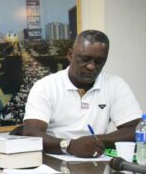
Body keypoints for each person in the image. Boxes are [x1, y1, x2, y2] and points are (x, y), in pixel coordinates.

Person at [23, 30, 142, 158]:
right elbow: (31, 133)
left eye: (99, 62)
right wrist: (69, 145)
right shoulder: (46, 86)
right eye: (85, 59)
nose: (91, 66)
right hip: (53, 162)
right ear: (70, 55)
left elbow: (136, 129)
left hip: (96, 163)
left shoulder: (115, 85)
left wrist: (96, 140)